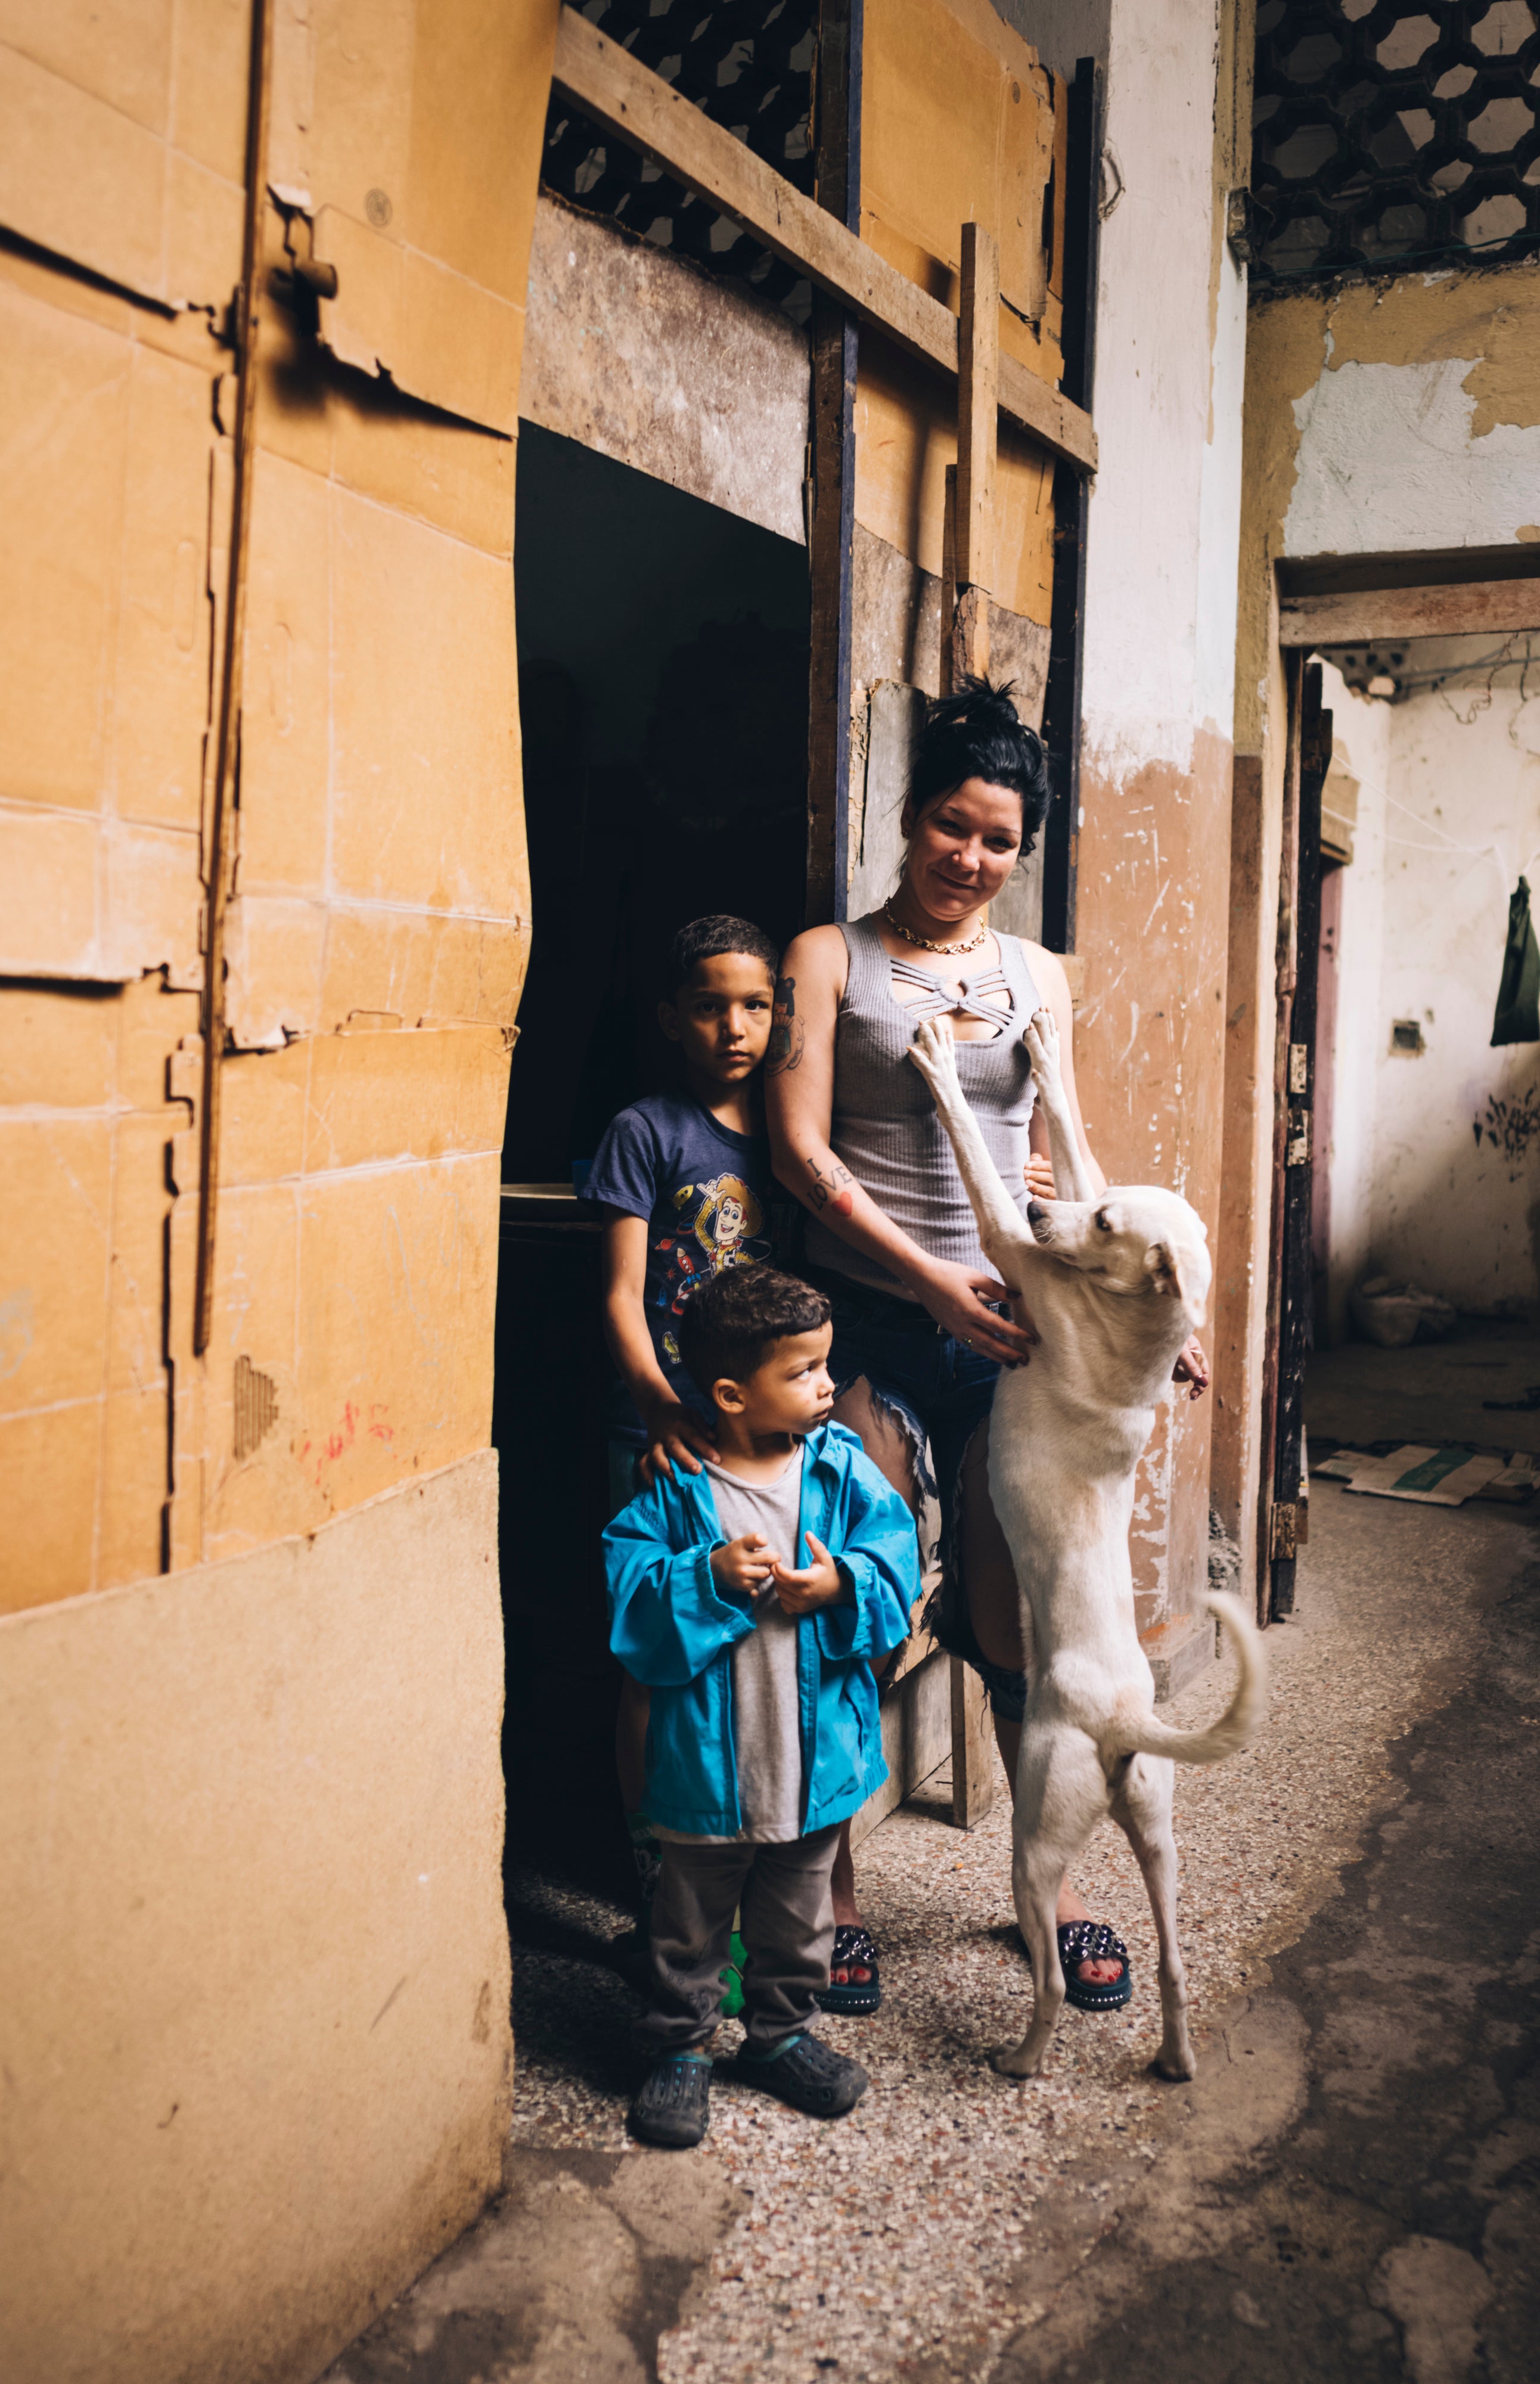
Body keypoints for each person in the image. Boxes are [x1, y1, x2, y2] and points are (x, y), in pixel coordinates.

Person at [766, 678, 1209, 2017]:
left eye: (998, 839)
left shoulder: (1036, 977)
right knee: (851, 1596)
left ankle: (1048, 1891)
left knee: (1026, 1620)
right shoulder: (827, 959)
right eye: (951, 825)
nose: (970, 858)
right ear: (909, 821)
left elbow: (1052, 1169)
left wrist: (1136, 1327)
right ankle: (831, 1898)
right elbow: (797, 1151)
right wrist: (931, 1285)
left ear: (1021, 852)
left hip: (1012, 1327)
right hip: (872, 1317)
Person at [606, 1266, 915, 2148]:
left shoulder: (843, 1472)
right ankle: (681, 2047)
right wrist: (699, 1579)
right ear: (732, 1394)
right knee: (689, 1922)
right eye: (805, 1371)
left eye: (826, 1364)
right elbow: (626, 1598)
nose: (827, 1385)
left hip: (812, 1760)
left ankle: (778, 2037)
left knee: (798, 1918)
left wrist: (842, 1581)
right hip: (707, 1766)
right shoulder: (673, 1489)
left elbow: (894, 1557)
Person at [581, 916, 800, 1933]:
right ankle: (648, 1862)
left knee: (757, 1630)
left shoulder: (796, 1131)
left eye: (754, 1004)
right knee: (655, 1647)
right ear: (673, 1017)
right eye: (710, 1005)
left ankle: (752, 1850)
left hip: (764, 1438)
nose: (734, 1026)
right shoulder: (648, 1131)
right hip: (664, 1429)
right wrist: (654, 1401)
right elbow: (623, 1296)